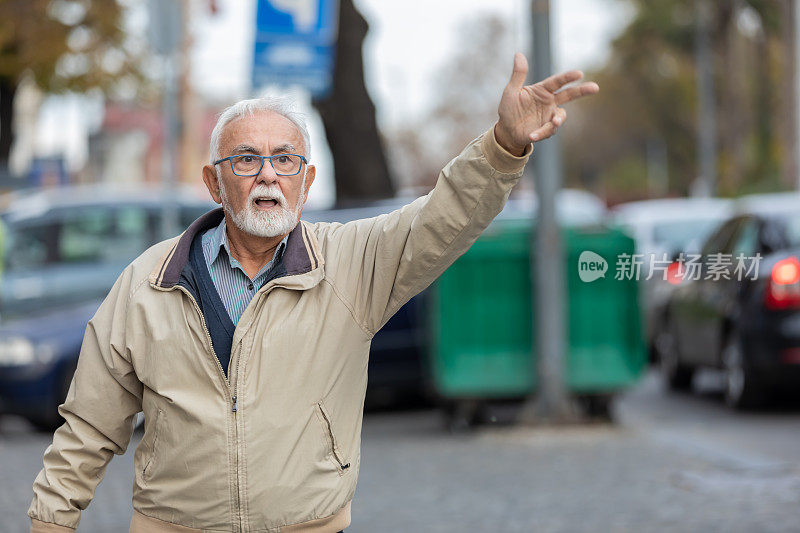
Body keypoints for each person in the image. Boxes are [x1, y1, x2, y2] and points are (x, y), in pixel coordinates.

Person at [28, 53, 598, 532]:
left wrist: (502, 146)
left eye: (285, 159)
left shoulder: (352, 264)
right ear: (213, 181)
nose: (268, 175)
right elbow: (87, 429)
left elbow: (442, 218)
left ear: (307, 180)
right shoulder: (149, 281)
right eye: (246, 159)